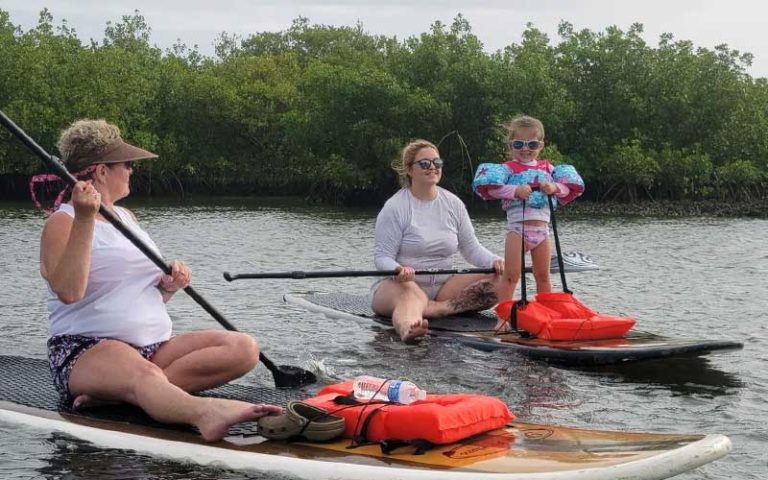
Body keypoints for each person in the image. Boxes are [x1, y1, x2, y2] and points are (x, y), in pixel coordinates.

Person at [39, 119, 282, 442]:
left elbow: (136, 292)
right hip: (88, 349)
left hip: (153, 347)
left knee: (243, 348)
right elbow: (69, 292)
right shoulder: (63, 221)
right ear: (101, 172)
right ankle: (203, 412)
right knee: (145, 374)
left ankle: (127, 394)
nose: (132, 170)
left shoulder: (128, 218)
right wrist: (85, 218)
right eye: (126, 164)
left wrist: (168, 286)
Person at [371, 139, 506, 343]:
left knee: (501, 279)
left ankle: (440, 308)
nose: (432, 168)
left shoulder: (453, 204)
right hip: (403, 284)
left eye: (437, 163)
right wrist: (398, 270)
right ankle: (409, 329)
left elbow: (471, 249)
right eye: (425, 164)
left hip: (444, 288)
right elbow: (382, 257)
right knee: (411, 296)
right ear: (409, 170)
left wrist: (496, 261)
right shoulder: (395, 207)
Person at [472, 115, 584, 330]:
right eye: (519, 144)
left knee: (543, 276)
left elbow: (568, 189)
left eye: (532, 144)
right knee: (511, 275)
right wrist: (515, 191)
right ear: (510, 145)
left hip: (543, 232)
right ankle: (503, 318)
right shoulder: (507, 169)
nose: (526, 149)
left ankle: (546, 317)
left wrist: (554, 188)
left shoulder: (549, 169)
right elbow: (493, 190)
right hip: (517, 230)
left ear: (540, 145)